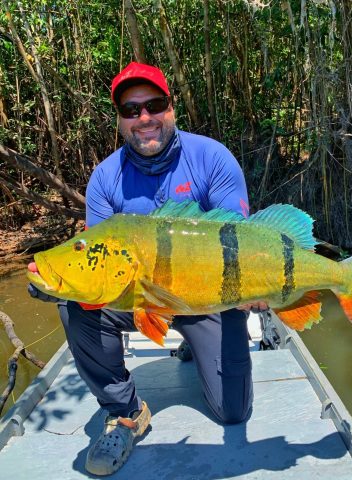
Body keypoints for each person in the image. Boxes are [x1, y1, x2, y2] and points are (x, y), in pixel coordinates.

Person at [29, 62, 265, 476]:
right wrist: (57, 281)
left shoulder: (212, 158)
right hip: (139, 296)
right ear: (119, 119)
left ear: (171, 108)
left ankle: (194, 338)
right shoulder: (104, 179)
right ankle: (125, 412)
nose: (144, 118)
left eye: (154, 105)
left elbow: (238, 244)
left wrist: (257, 289)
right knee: (73, 304)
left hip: (208, 297)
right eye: (131, 109)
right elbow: (97, 262)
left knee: (234, 412)